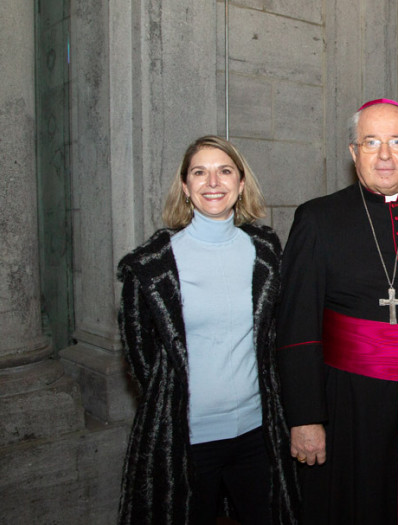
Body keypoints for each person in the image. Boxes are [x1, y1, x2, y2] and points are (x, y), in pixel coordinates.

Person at [276, 98, 398, 524]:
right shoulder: (317, 218)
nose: (385, 155)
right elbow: (296, 327)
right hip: (348, 401)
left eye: (397, 141)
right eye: (371, 142)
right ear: (353, 152)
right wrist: (305, 417)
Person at [116, 135, 299, 524]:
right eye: (200, 172)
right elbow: (142, 360)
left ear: (241, 184)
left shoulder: (266, 250)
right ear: (185, 187)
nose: (213, 182)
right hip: (186, 440)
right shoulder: (150, 267)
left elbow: (275, 337)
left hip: (257, 434)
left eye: (224, 171)